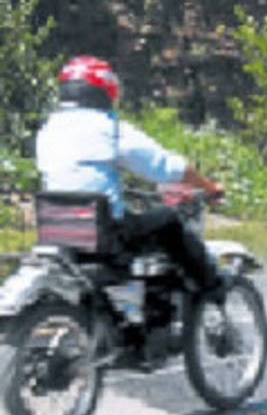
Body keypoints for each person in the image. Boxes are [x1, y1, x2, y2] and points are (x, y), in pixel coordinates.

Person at [35, 55, 225, 293]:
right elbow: (167, 167)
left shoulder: (48, 130)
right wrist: (209, 187)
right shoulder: (109, 128)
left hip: (59, 233)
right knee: (169, 219)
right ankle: (212, 287)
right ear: (106, 91)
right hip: (105, 236)